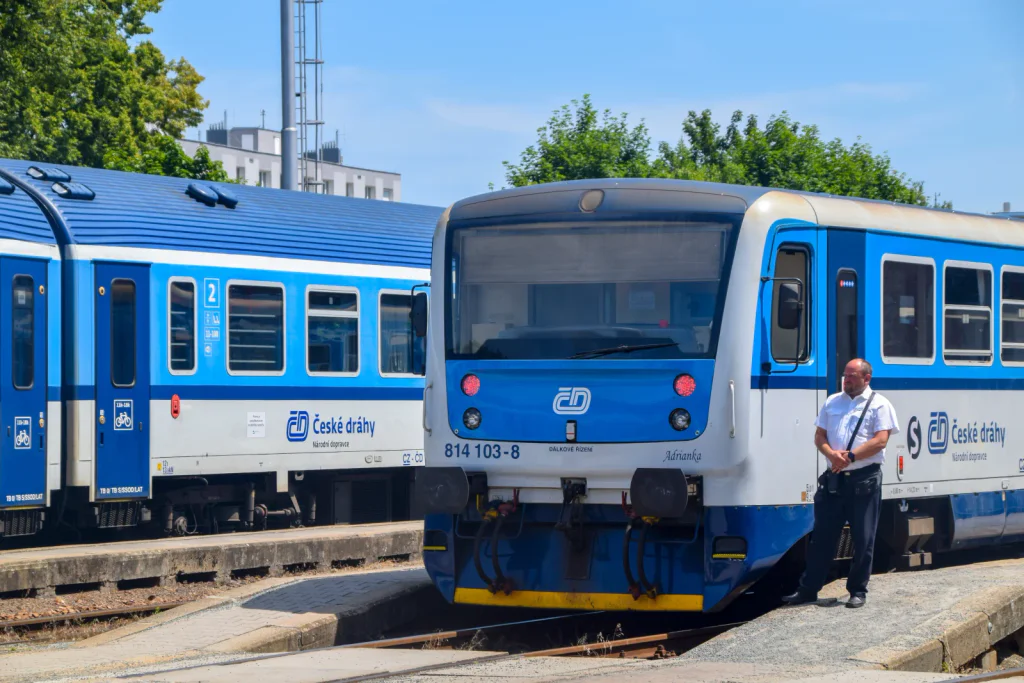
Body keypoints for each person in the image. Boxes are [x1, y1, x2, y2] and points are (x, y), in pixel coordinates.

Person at [782, 358, 899, 609]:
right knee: (822, 538)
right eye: (845, 375)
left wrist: (851, 457)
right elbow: (819, 435)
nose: (846, 380)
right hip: (834, 480)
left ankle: (858, 591)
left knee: (863, 538)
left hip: (864, 479)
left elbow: (880, 441)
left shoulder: (880, 404)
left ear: (866, 378)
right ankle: (808, 590)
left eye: (852, 376)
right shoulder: (832, 401)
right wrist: (831, 454)